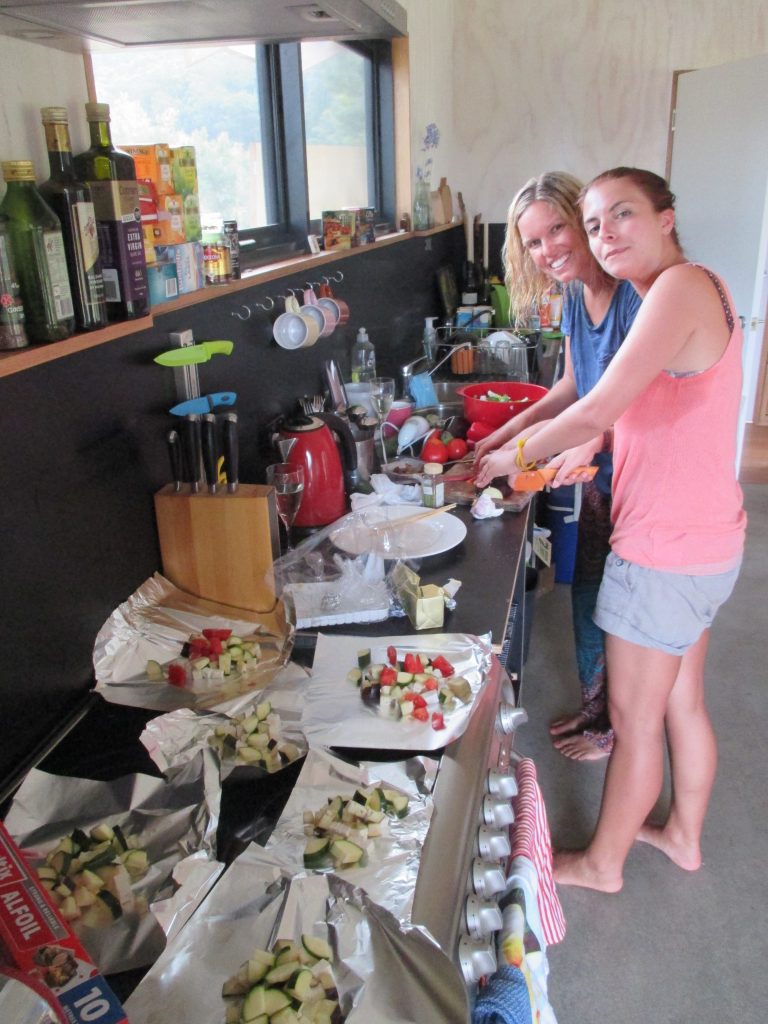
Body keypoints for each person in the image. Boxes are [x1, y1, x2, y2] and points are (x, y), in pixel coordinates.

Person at [476, 167, 746, 891]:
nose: (603, 236)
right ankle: (683, 835)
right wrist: (562, 447)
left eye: (618, 216)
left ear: (665, 215)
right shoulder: (682, 291)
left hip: (660, 550)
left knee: (632, 720)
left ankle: (601, 865)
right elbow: (614, 408)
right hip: (705, 541)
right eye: (594, 224)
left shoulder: (678, 289)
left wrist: (506, 459)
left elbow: (594, 410)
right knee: (681, 703)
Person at [474, 171, 641, 760]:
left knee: (628, 609)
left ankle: (620, 723)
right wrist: (509, 429)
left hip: (638, 475)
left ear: (584, 219)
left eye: (557, 230)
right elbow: (573, 385)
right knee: (589, 593)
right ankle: (600, 714)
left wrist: (533, 451)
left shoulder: (634, 295)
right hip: (596, 469)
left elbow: (642, 409)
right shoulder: (575, 293)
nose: (548, 251)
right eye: (534, 243)